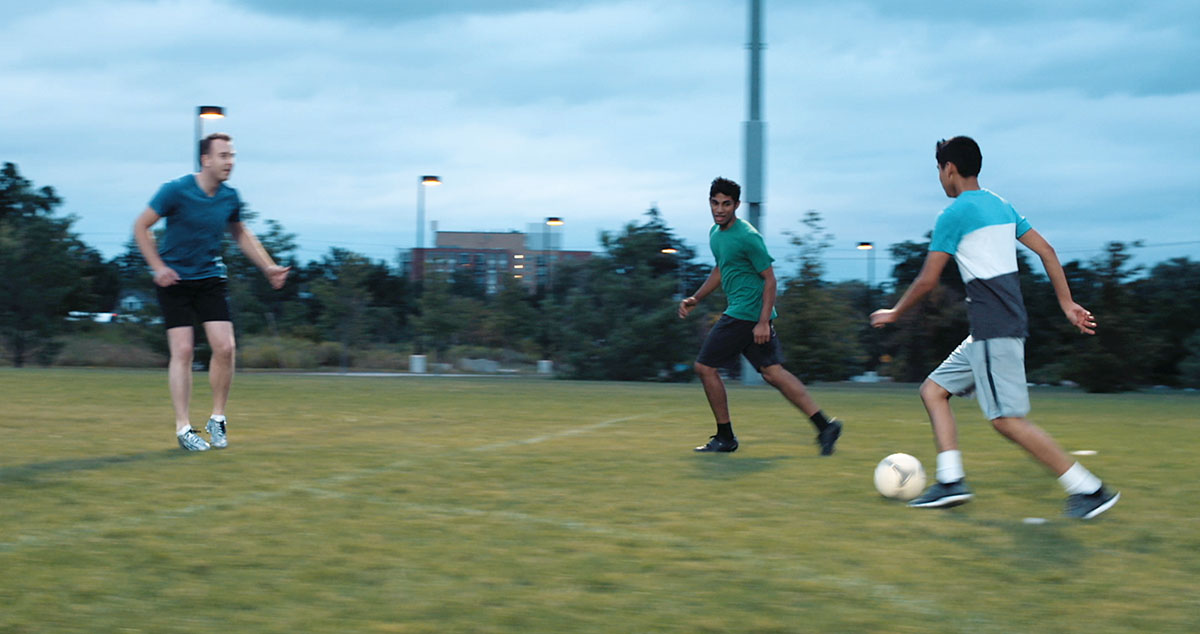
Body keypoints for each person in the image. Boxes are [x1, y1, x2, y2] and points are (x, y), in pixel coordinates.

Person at [870, 136, 1119, 519]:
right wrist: (1067, 303)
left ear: (948, 168)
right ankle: (950, 482)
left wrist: (895, 312)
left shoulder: (953, 214)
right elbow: (1047, 252)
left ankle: (1089, 489)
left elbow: (928, 279)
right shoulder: (1002, 205)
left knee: (1006, 420)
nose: (940, 177)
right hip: (992, 330)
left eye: (939, 169)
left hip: (994, 329)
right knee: (933, 391)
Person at [134, 133, 289, 451]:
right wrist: (157, 267)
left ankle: (217, 418)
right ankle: (183, 429)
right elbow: (141, 227)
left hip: (210, 278)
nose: (229, 162)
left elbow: (240, 232)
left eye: (232, 156)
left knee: (226, 348)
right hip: (174, 280)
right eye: (222, 156)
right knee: (184, 351)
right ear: (205, 160)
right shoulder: (174, 191)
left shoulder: (230, 197)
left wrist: (269, 267)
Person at [678, 177, 843, 455]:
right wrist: (696, 297)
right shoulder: (715, 235)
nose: (720, 209)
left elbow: (770, 279)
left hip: (745, 314)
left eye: (726, 204)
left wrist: (763, 321)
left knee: (705, 367)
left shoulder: (748, 236)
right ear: (709, 203)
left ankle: (725, 436)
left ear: (737, 205)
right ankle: (825, 425)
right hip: (746, 315)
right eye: (715, 203)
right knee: (773, 373)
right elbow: (721, 269)